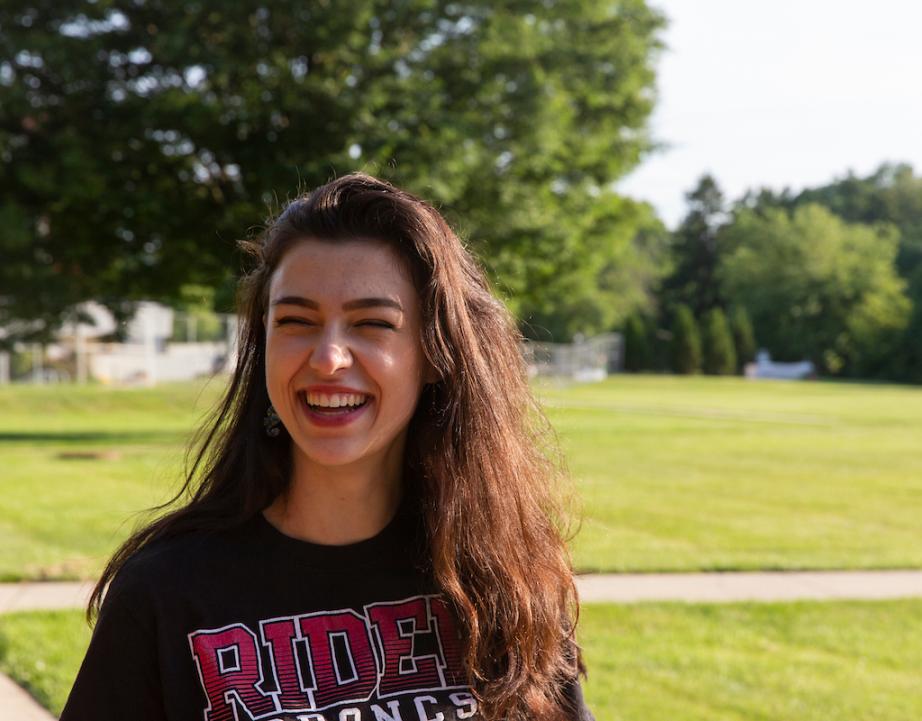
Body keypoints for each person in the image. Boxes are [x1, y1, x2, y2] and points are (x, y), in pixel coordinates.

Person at [61, 172, 595, 721]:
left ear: (435, 354)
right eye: (296, 320)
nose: (328, 358)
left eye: (372, 323)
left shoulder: (503, 578)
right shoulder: (166, 591)